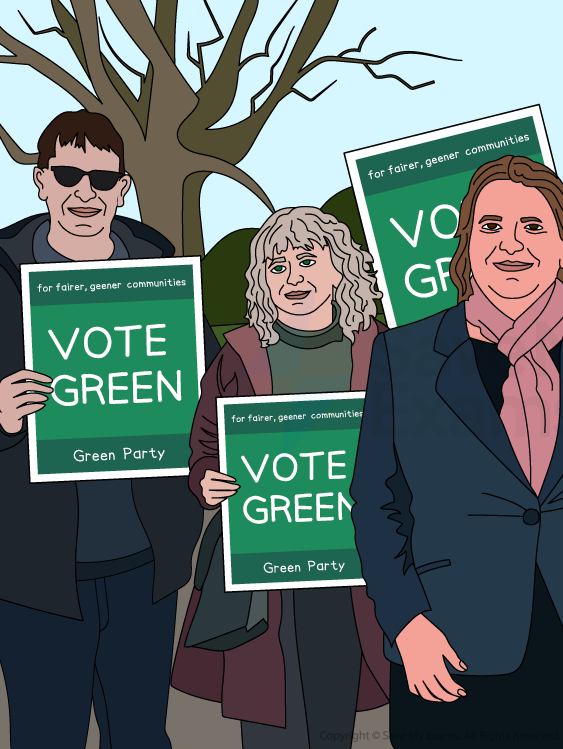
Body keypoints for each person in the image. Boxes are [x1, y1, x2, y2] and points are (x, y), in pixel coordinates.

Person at [0, 110, 220, 747]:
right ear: (41, 181)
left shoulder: (161, 275)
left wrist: (203, 472)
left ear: (123, 188)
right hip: (30, 575)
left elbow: (207, 395)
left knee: (140, 735)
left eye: (102, 179)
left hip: (147, 565)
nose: (84, 192)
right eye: (68, 174)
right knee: (47, 733)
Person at [350, 155, 563, 748]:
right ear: (467, 246)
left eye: (532, 226)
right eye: (490, 226)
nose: (509, 243)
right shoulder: (404, 354)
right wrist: (407, 623)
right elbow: (376, 502)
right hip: (448, 650)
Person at [170, 206, 391, 748]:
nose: (293, 277)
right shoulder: (241, 354)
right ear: (262, 281)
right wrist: (207, 479)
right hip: (264, 574)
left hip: (350, 571)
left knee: (335, 715)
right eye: (277, 265)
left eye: (307, 260)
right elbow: (205, 441)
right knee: (271, 716)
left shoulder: (378, 348)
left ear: (340, 268)